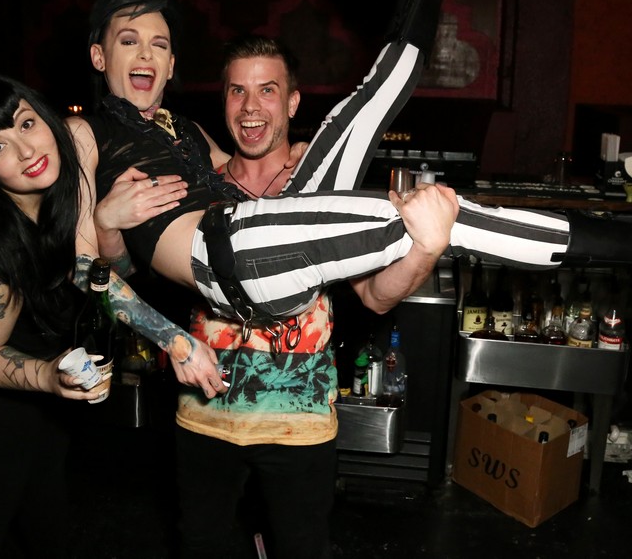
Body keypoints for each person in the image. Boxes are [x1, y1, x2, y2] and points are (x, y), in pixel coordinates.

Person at [76, 0, 632, 394]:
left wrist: (305, 159)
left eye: (159, 43)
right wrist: (120, 248)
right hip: (230, 262)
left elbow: (248, 169)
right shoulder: (85, 135)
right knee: (428, 216)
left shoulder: (185, 132)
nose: (146, 55)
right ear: (100, 56)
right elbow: (87, 272)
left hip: (258, 242)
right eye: (129, 41)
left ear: (172, 63)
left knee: (359, 112)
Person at [171, 34, 450, 559]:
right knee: (201, 546)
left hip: (298, 422)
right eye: (237, 91)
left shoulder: (322, 187)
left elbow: (376, 297)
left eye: (267, 90)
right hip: (204, 417)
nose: (250, 107)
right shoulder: (196, 187)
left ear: (293, 102)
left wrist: (425, 250)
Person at [0, 74, 213, 558]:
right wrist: (49, 376)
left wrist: (105, 222)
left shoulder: (70, 185)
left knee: (46, 506)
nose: (25, 150)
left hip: (49, 358)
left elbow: (112, 274)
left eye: (26, 124)